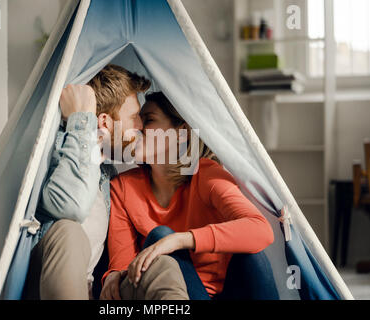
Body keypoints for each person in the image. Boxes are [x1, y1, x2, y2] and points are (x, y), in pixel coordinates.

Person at [23, 65, 187, 300]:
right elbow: (72, 206)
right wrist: (83, 119)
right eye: (134, 118)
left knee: (162, 267)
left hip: (89, 293)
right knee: (69, 231)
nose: (140, 127)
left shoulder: (106, 175)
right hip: (40, 287)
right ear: (104, 122)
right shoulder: (58, 151)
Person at [101, 92, 279, 300]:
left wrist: (181, 240)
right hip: (177, 296)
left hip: (229, 292)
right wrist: (113, 275)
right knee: (160, 236)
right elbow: (122, 263)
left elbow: (261, 229)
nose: (138, 127)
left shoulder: (206, 175)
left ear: (181, 133)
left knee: (253, 253)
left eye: (148, 120)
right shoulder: (122, 187)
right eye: (138, 119)